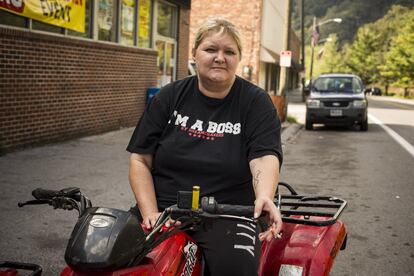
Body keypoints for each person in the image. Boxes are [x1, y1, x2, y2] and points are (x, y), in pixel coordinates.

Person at [127, 17, 283, 275]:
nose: (220, 57)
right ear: (195, 53)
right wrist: (150, 213)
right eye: (211, 49)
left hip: (228, 213)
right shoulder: (169, 97)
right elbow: (140, 160)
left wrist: (264, 194)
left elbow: (264, 157)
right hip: (164, 209)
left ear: (238, 58)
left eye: (229, 52)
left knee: (236, 270)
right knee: (107, 254)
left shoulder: (255, 102)